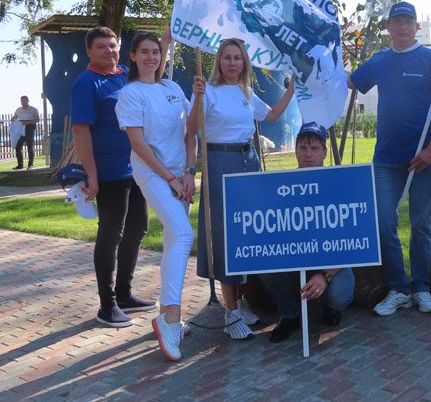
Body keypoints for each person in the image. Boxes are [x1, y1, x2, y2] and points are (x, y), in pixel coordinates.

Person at [349, 1, 431, 316]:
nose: (403, 27)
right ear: (388, 27)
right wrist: (316, 66)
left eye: (408, 22)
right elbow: (349, 81)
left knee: (421, 225)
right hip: (387, 159)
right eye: (397, 22)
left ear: (417, 27)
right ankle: (398, 289)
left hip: (424, 158)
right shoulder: (379, 61)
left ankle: (421, 288)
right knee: (383, 223)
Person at [194, 37, 295, 340]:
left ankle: (239, 302)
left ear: (244, 63)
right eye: (227, 57)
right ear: (219, 61)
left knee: (248, 232)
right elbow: (191, 129)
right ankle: (231, 313)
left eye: (237, 58)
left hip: (249, 162)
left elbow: (272, 115)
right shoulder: (207, 90)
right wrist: (197, 99)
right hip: (220, 162)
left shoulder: (246, 91)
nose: (232, 63)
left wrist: (291, 89)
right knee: (225, 235)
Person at [115, 31, 200, 361]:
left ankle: (167, 313)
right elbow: (138, 145)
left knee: (171, 240)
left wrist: (189, 171)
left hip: (181, 174)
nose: (152, 57)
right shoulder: (131, 94)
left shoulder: (173, 88)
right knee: (183, 234)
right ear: (133, 56)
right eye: (145, 52)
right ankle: (171, 320)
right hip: (153, 174)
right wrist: (171, 179)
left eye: (156, 51)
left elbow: (191, 130)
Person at [70, 26, 156, 328]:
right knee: (111, 235)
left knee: (138, 228)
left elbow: (153, 72)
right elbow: (80, 131)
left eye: (113, 45)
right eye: (102, 46)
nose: (109, 50)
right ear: (89, 51)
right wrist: (91, 176)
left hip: (136, 168)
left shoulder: (123, 76)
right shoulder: (86, 83)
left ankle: (124, 294)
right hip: (109, 173)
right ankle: (107, 306)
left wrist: (164, 42)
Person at [260, 122, 355, 343]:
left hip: (331, 260)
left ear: (325, 152)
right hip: (293, 258)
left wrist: (326, 276)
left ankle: (330, 306)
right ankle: (289, 313)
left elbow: (354, 241)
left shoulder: (341, 184)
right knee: (264, 263)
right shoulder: (281, 187)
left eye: (314, 148)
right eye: (302, 148)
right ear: (295, 151)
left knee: (340, 294)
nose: (308, 154)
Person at [12, 95, 40, 170]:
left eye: (24, 101)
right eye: (21, 101)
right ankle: (20, 164)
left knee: (30, 146)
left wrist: (27, 123)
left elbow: (37, 120)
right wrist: (13, 119)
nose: (23, 103)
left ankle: (30, 164)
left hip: (29, 128)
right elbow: (15, 117)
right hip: (21, 129)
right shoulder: (18, 110)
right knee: (18, 146)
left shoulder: (33, 109)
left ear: (27, 101)